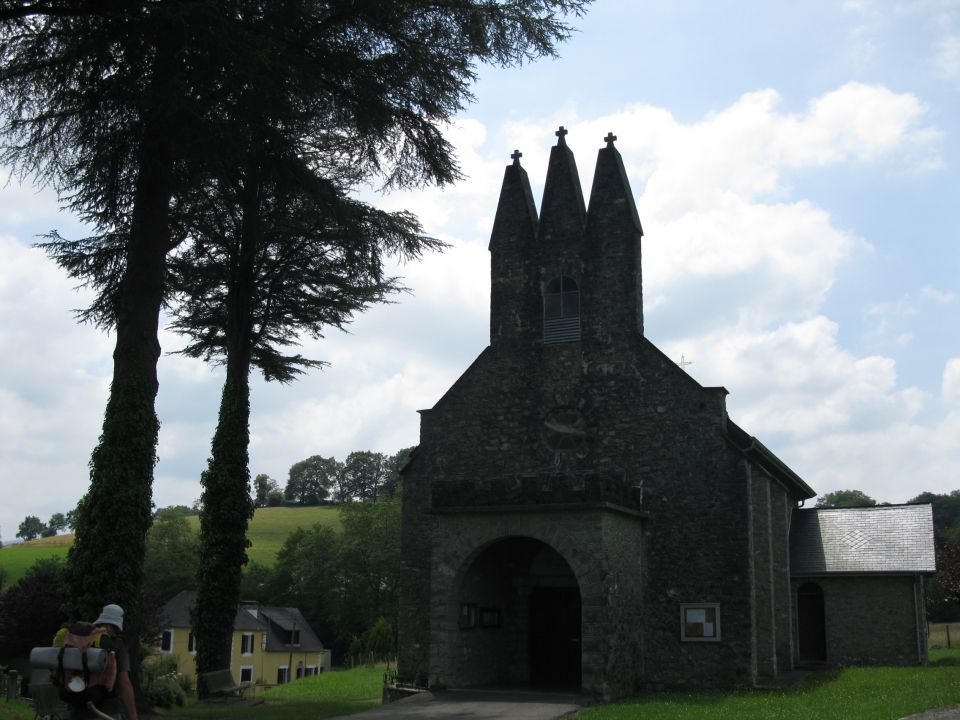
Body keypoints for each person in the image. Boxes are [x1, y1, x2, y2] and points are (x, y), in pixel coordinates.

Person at [75, 604, 138, 720]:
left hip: (77, 707)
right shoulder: (117, 644)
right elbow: (124, 683)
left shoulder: (82, 639)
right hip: (107, 710)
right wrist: (133, 715)